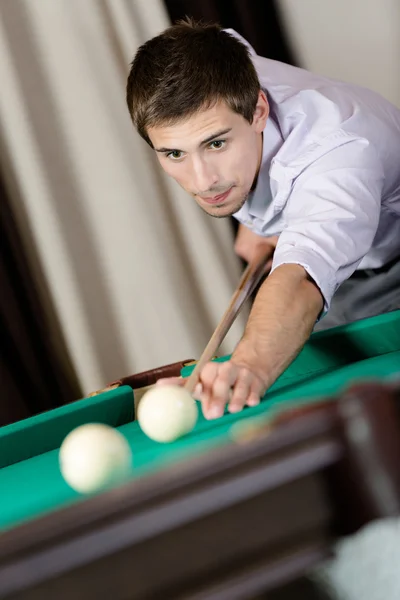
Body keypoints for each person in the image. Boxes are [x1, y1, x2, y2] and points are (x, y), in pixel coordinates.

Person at [126, 18, 400, 420]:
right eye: (174, 154)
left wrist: (249, 363)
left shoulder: (337, 155)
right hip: (350, 270)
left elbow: (301, 278)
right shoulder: (223, 59)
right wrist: (257, 218)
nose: (203, 181)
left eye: (216, 143)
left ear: (258, 110)